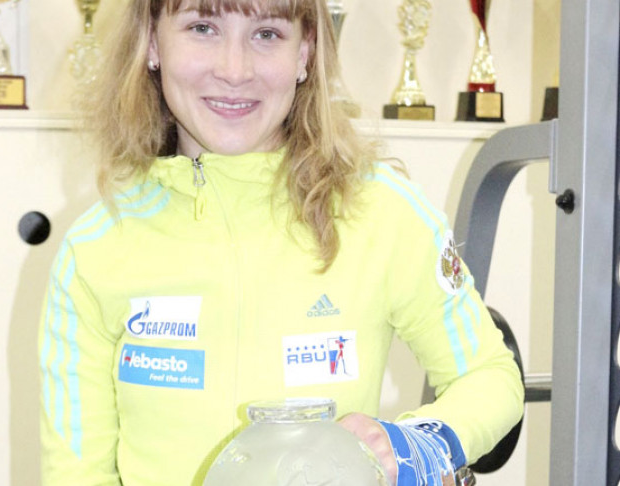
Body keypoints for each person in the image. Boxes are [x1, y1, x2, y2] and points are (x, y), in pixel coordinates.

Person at [38, 0, 524, 484]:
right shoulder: (95, 250)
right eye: (203, 27)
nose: (235, 70)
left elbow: (490, 376)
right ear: (151, 41)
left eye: (267, 34)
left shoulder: (381, 211)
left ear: (305, 51)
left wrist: (417, 444)